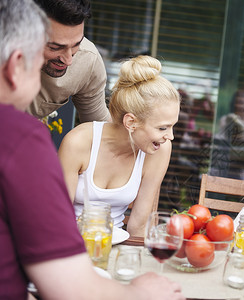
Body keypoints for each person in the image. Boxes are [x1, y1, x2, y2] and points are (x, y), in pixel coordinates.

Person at [0, 0, 184, 299]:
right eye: (37, 66)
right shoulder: (19, 139)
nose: (69, 60)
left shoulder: (87, 64)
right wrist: (139, 294)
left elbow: (104, 124)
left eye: (76, 46)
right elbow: (66, 285)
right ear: (15, 64)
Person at [58, 55, 180, 237]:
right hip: (68, 241)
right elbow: (58, 218)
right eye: (163, 128)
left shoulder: (159, 150)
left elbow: (138, 226)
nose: (170, 137)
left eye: (172, 126)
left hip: (116, 245)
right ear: (131, 122)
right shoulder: (79, 142)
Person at [26, 0, 110, 123]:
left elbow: (99, 127)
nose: (68, 60)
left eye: (77, 44)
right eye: (55, 47)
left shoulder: (87, 60)